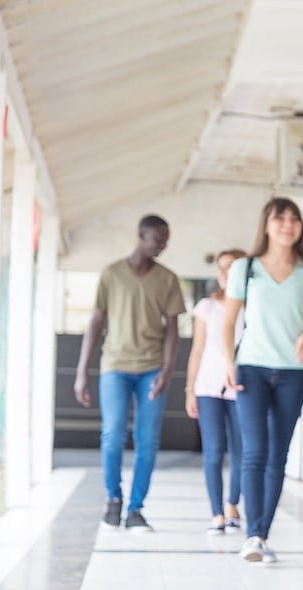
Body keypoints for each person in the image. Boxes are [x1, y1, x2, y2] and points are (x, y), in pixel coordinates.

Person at [221, 198, 303, 564]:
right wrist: (228, 363)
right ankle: (251, 535)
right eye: (279, 218)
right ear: (266, 224)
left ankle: (262, 533)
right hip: (251, 367)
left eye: (294, 218)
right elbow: (227, 321)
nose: (287, 224)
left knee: (277, 456)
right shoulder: (244, 268)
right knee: (253, 451)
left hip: (293, 374)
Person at [74, 214, 186, 531]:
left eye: (166, 240)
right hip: (115, 366)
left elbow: (173, 332)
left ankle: (136, 509)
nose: (163, 245)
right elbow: (95, 322)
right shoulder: (111, 274)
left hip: (152, 368)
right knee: (112, 435)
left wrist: (167, 370)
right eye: (158, 239)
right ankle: (113, 499)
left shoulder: (168, 279)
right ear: (141, 235)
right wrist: (82, 371)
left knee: (147, 440)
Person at [185, 249, 246, 535]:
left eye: (231, 267)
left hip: (240, 386)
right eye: (221, 268)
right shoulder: (206, 307)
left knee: (241, 451)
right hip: (208, 387)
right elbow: (197, 350)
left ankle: (233, 503)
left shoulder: (253, 306)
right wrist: (189, 390)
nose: (224, 274)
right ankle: (217, 513)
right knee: (213, 451)